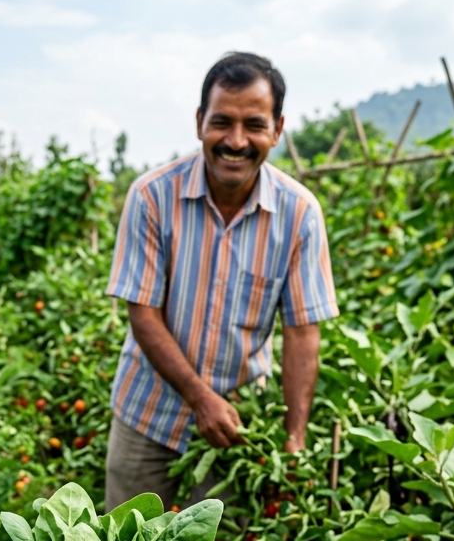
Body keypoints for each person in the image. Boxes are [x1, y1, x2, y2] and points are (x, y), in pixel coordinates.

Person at [104, 51, 338, 513]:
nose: (236, 140)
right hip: (146, 412)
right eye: (222, 122)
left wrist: (294, 438)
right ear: (199, 123)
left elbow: (302, 333)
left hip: (237, 424)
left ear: (277, 130)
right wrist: (199, 397)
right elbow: (143, 313)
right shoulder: (152, 196)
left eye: (254, 125)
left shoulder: (299, 214)